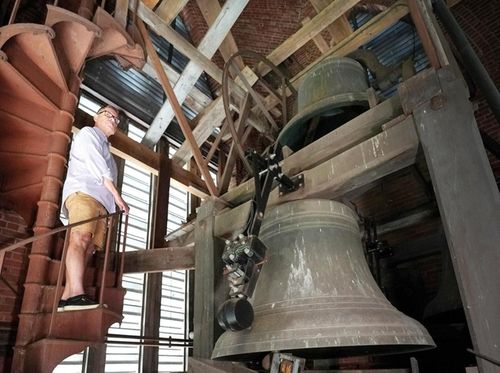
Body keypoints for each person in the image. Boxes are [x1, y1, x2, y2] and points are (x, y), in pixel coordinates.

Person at [59, 105, 129, 311]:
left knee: (89, 249)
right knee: (80, 239)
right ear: (95, 116)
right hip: (84, 194)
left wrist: (110, 211)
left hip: (101, 205)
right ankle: (77, 294)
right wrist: (118, 198)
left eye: (116, 119)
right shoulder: (88, 134)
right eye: (108, 115)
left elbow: (108, 180)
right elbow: (98, 168)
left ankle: (66, 297)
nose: (113, 120)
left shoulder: (108, 152)